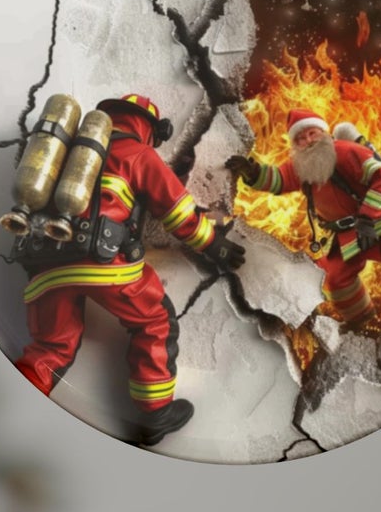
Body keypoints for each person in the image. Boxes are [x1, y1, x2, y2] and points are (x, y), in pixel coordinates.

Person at [14, 93, 244, 446]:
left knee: (49, 348)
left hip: (44, 265)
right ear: (148, 127)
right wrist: (214, 244)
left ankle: (12, 409)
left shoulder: (64, 153)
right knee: (154, 319)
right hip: (103, 263)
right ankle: (155, 413)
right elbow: (177, 213)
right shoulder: (138, 153)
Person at [228, 108, 381, 328]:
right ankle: (360, 320)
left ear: (324, 133)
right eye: (301, 139)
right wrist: (252, 172)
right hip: (344, 236)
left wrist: (368, 218)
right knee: (335, 278)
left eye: (312, 133)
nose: (309, 141)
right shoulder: (300, 167)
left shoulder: (347, 151)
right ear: (295, 146)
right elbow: (278, 179)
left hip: (376, 222)